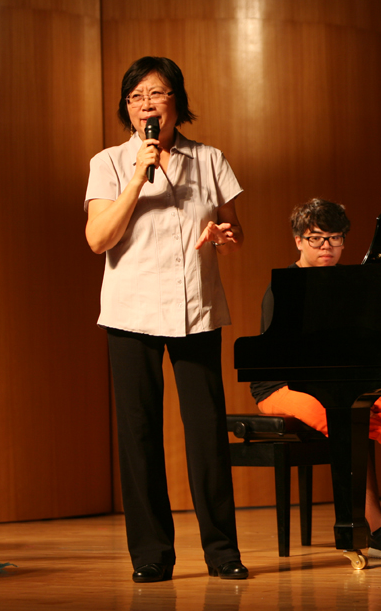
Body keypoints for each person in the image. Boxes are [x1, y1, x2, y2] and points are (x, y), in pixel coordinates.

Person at [84, 56, 248, 583]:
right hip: (131, 311)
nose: (146, 105)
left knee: (206, 433)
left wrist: (223, 237)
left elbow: (234, 232)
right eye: (135, 97)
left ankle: (222, 552)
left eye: (156, 94)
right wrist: (139, 176)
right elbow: (98, 239)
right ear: (127, 109)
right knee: (139, 435)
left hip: (195, 308)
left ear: (177, 102)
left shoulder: (210, 159)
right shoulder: (110, 162)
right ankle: (151, 554)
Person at [251, 198, 381, 559]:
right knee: (346, 416)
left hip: (343, 380)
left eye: (335, 238)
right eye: (316, 238)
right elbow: (285, 357)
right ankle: (373, 530)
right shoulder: (285, 287)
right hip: (284, 386)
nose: (326, 247)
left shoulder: (352, 282)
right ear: (298, 241)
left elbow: (373, 343)